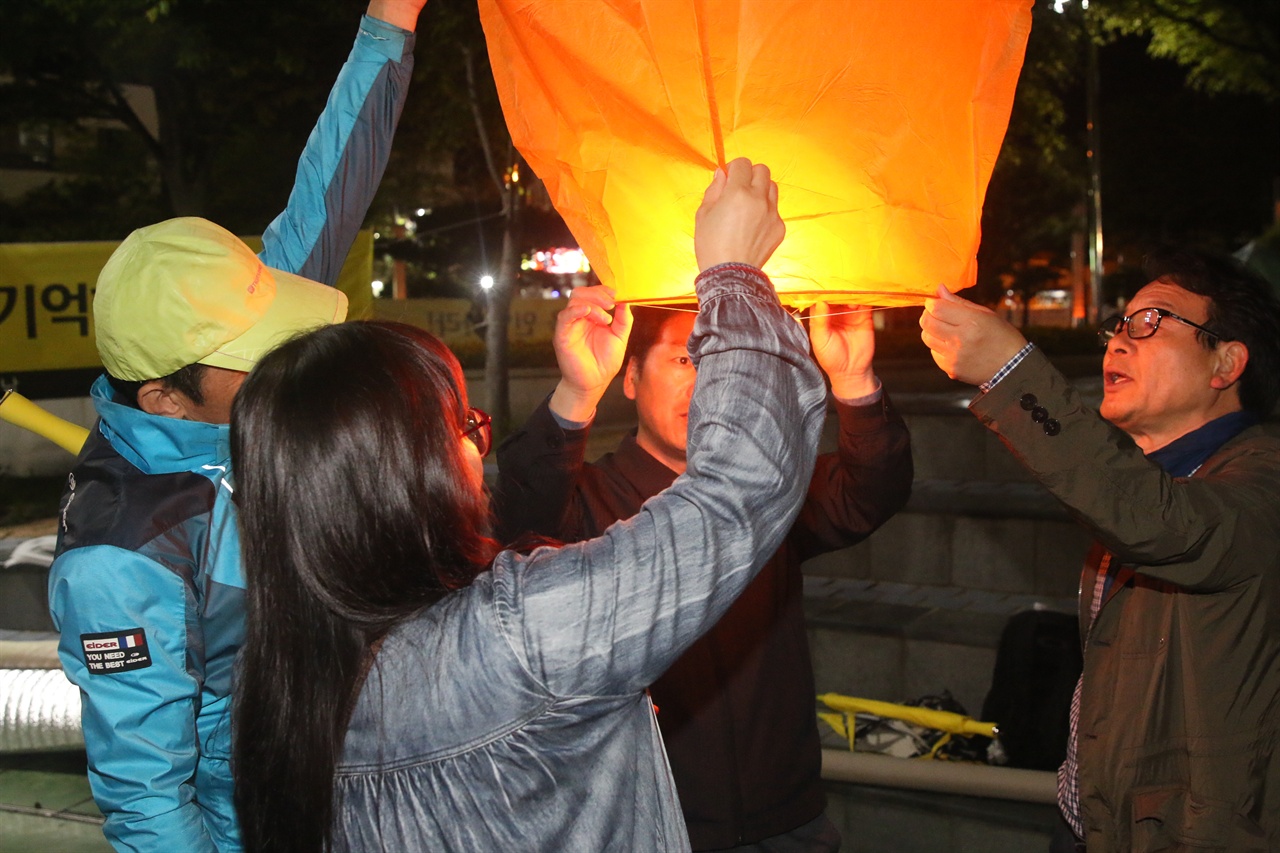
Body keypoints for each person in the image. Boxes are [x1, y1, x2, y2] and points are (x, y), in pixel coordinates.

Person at [229, 158, 826, 853]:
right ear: (404, 476)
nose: (479, 452)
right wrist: (734, 281)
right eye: (463, 427)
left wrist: (576, 392)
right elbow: (736, 495)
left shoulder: (274, 684)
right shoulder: (518, 635)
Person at [46, 2, 429, 850]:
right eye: (254, 353)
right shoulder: (120, 559)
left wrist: (387, 27)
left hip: (358, 780)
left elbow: (329, 191)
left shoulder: (230, 366)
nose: (290, 357)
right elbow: (148, 800)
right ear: (166, 398)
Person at [494, 274, 912, 851]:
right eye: (685, 358)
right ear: (633, 377)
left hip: (788, 822)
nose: (708, 384)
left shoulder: (766, 491)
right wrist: (576, 391)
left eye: (721, 363)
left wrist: (853, 379)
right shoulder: (590, 500)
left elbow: (871, 491)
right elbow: (521, 520)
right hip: (652, 828)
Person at [919, 250, 1280, 853]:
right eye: (1117, 326)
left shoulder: (1259, 483)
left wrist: (1012, 373)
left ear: (1226, 361)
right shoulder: (1153, 481)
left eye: (1149, 323)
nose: (1117, 343)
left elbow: (1167, 528)